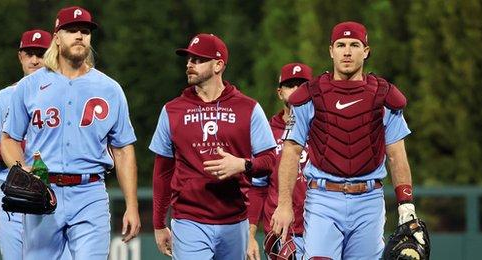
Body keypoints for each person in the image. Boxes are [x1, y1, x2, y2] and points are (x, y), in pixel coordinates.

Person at [271, 21, 425, 260]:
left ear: (366, 51)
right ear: (331, 50)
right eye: (341, 45)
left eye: (355, 45)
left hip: (369, 199)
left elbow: (396, 153)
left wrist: (406, 204)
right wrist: (284, 205)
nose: (347, 51)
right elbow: (291, 151)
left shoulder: (383, 96)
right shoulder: (310, 95)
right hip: (323, 198)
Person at [0, 6, 140, 259]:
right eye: (71, 30)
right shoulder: (30, 86)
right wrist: (21, 169)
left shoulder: (110, 88)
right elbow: (8, 138)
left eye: (85, 31)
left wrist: (132, 205)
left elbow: (123, 149)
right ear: (56, 37)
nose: (79, 36)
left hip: (91, 192)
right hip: (43, 191)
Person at [150, 33, 277, 260]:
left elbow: (269, 160)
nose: (190, 65)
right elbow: (162, 171)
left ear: (218, 65)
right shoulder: (172, 110)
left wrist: (243, 165)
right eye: (189, 59)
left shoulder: (248, 108)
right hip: (189, 218)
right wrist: (159, 223)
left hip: (235, 219)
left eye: (198, 60)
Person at [0, 28, 53, 260]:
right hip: (14, 197)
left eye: (41, 53)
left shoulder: (63, 95)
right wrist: (19, 145)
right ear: (20, 56)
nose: (35, 60)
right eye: (29, 53)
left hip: (53, 194)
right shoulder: (3, 98)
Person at [246, 63, 313, 260]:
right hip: (280, 232)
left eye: (302, 85)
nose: (296, 91)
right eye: (290, 85)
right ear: (279, 92)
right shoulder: (266, 132)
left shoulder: (323, 130)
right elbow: (257, 188)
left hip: (319, 227)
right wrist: (250, 234)